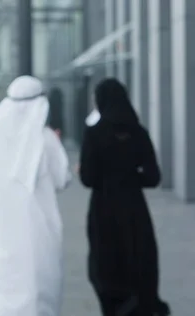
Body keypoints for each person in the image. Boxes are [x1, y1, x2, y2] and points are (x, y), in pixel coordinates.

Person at [0, 75, 71, 315]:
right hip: (38, 234)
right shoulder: (45, 140)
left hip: (1, 234)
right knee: (38, 291)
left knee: (2, 291)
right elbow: (63, 178)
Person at [79, 78, 170, 316]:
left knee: (105, 266)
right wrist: (129, 178)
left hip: (103, 210)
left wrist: (108, 179)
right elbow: (153, 177)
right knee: (139, 262)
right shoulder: (139, 132)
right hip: (134, 209)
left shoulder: (93, 134)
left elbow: (87, 178)